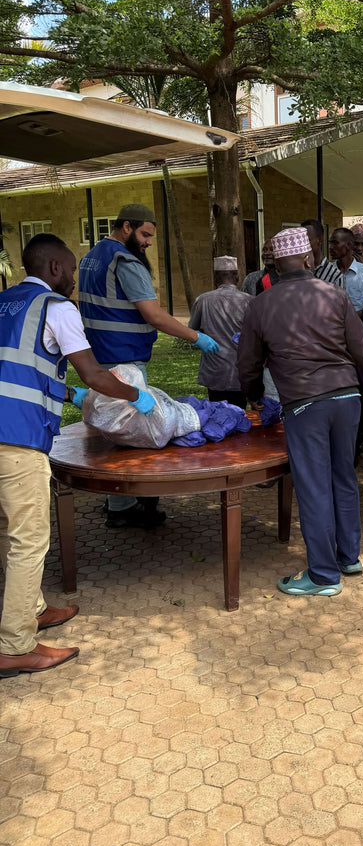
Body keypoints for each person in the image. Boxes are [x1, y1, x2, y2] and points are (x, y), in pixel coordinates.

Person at [0, 234, 156, 677]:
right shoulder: (55, 307)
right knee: (29, 538)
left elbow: (20, 367)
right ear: (53, 268)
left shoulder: (4, 304)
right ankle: (14, 647)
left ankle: (31, 609)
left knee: (8, 528)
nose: (73, 279)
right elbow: (94, 370)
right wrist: (134, 397)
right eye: (69, 270)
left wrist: (72, 393)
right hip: (16, 438)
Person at [237, 228, 363, 596]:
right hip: (347, 399)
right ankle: (348, 557)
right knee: (343, 478)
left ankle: (322, 575)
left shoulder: (261, 304)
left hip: (304, 404)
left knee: (314, 487)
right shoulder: (334, 294)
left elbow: (248, 364)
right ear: (308, 259)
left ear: (275, 264)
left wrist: (254, 397)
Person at [78, 203, 220, 527]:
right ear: (126, 227)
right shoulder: (124, 260)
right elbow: (153, 315)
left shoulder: (91, 258)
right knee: (134, 432)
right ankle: (131, 507)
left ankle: (116, 500)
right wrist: (196, 336)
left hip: (101, 358)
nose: (148, 242)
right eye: (144, 234)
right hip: (125, 359)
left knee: (111, 426)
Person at [189, 256, 252, 408]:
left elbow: (192, 331)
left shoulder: (203, 300)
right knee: (239, 412)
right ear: (237, 277)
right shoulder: (249, 301)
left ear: (215, 279)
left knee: (217, 414)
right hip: (240, 369)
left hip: (214, 369)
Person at [329, 227, 363, 324]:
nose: (331, 247)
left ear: (349, 245)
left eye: (335, 243)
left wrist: (361, 314)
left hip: (357, 329)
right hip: (332, 329)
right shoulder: (328, 271)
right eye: (330, 243)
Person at [300, 219, 345, 288]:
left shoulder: (335, 276)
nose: (302, 245)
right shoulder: (297, 270)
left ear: (320, 240)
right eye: (300, 241)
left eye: (307, 240)